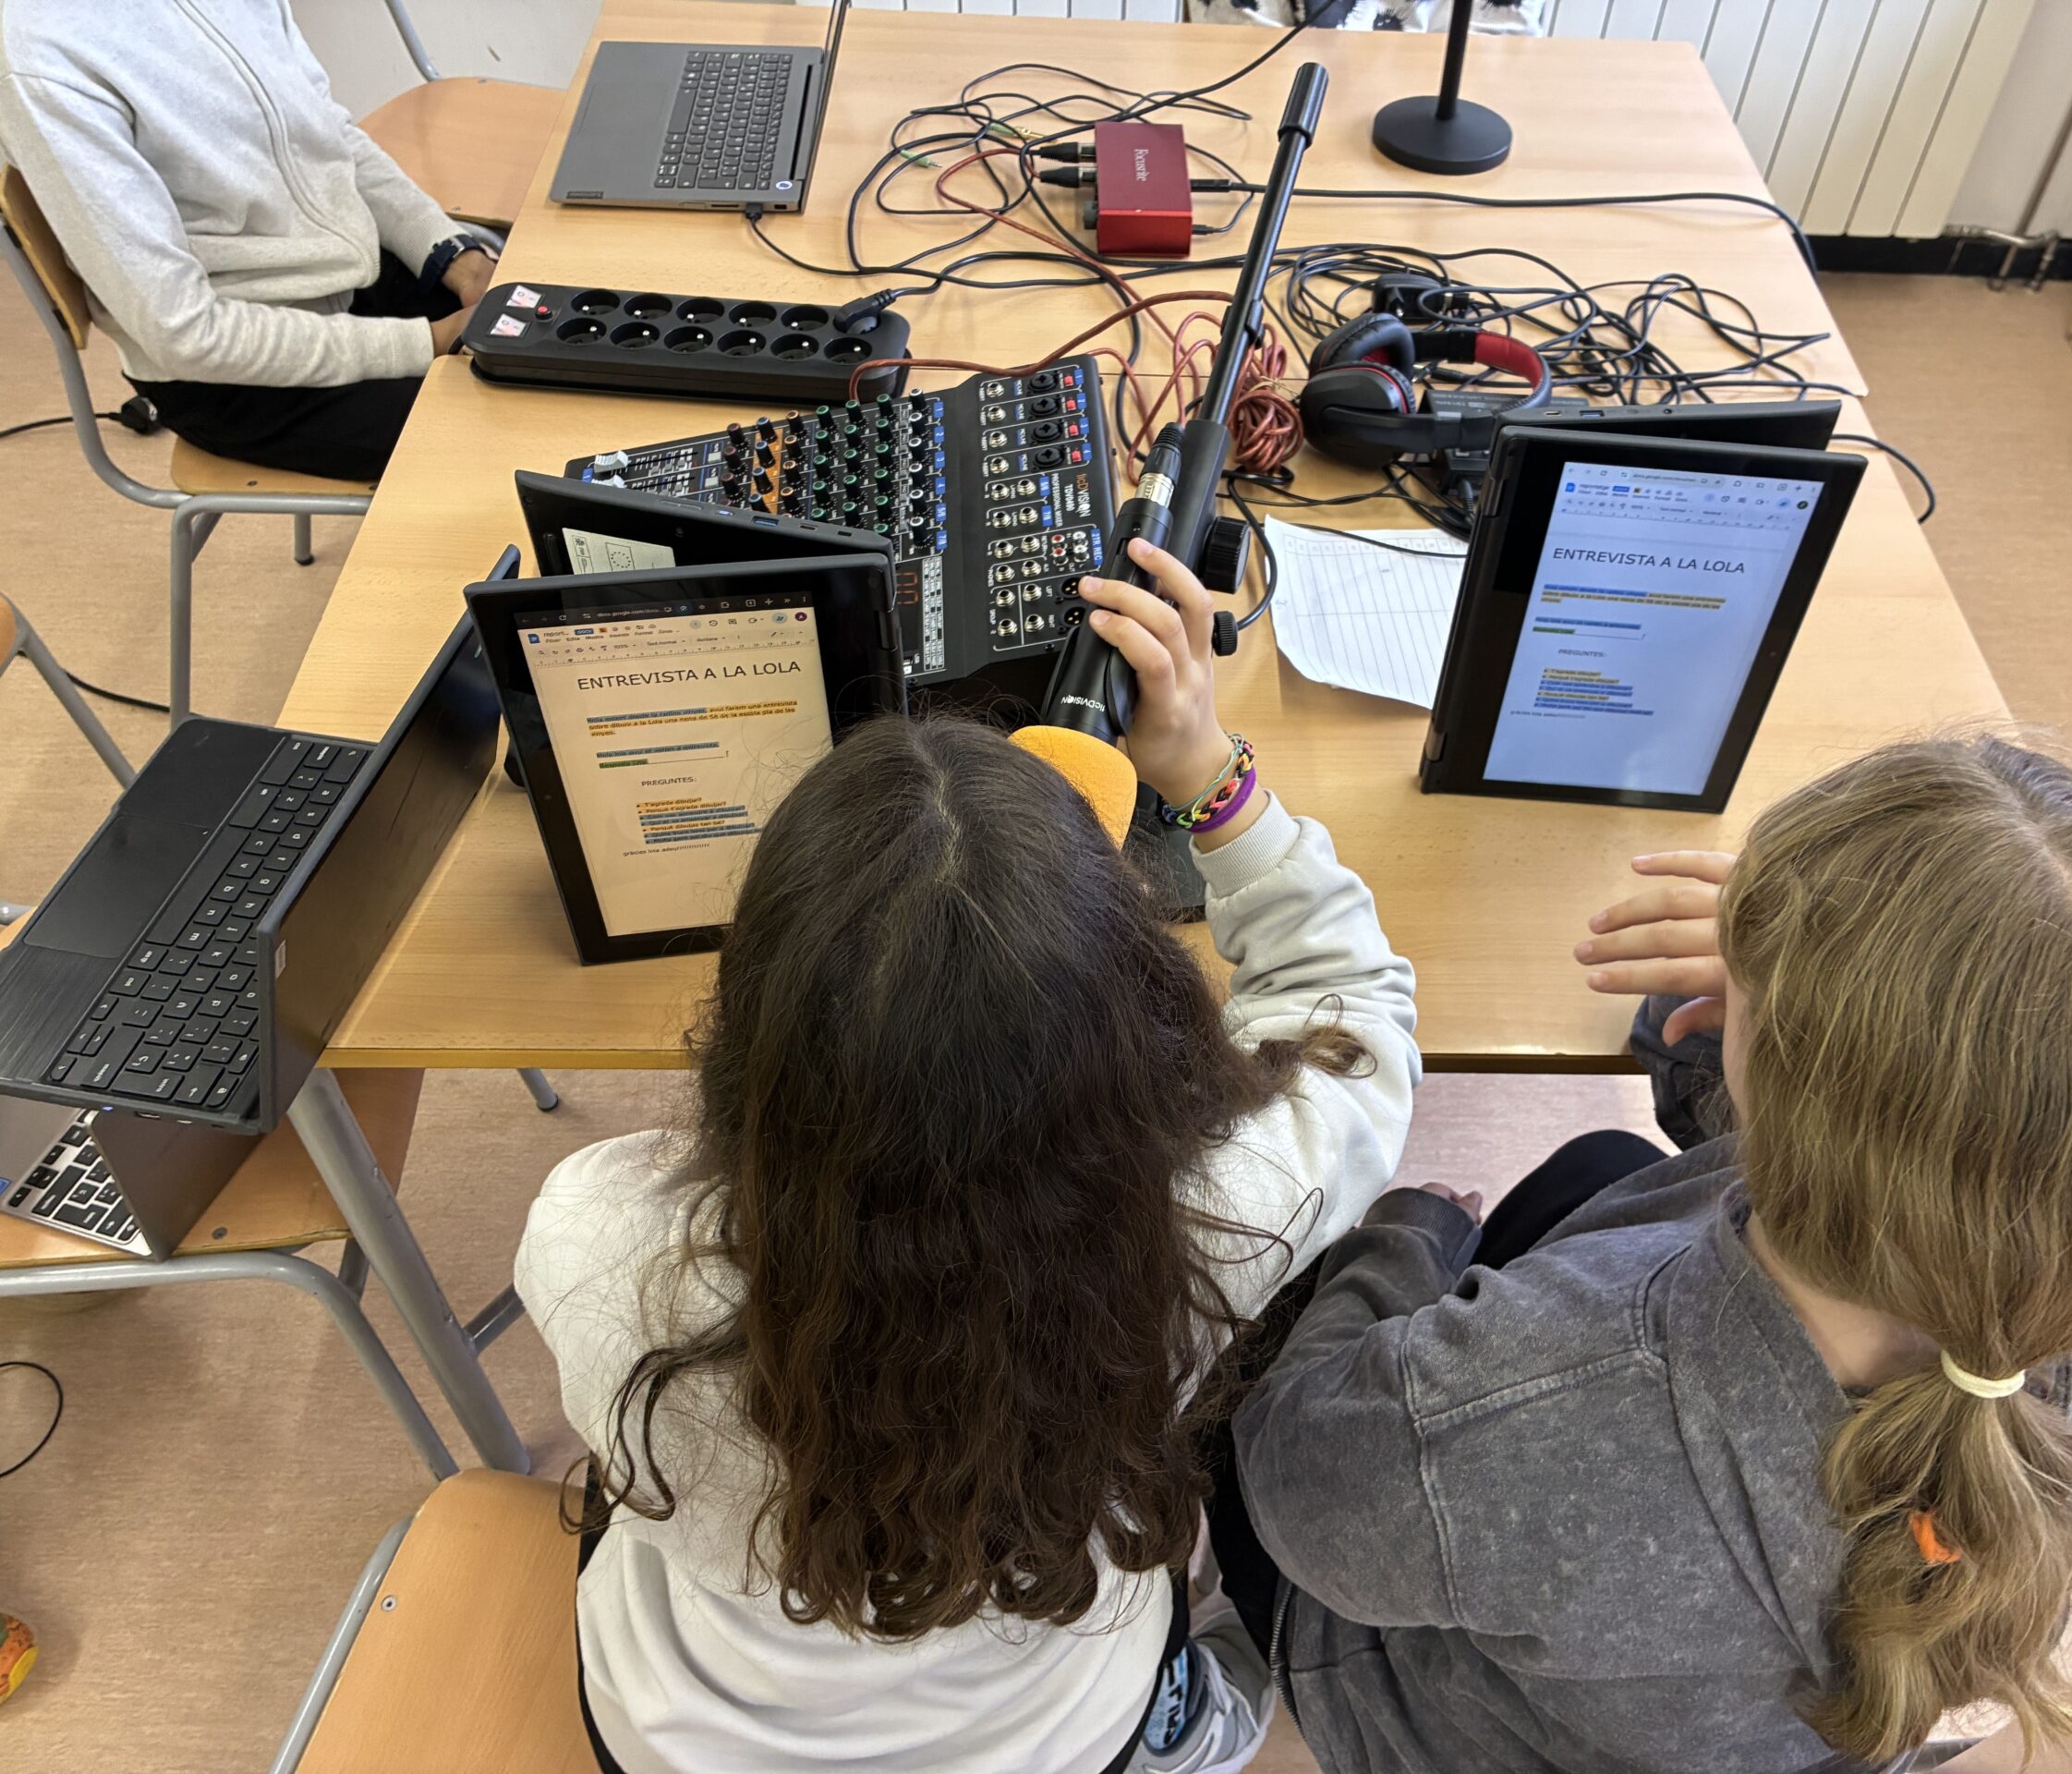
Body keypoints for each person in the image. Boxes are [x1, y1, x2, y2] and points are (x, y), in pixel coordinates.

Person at [515, 543, 1423, 1774]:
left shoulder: (593, 1239)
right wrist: (1211, 773)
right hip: (1047, 1741)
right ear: (1130, 1011)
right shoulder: (1218, 1224)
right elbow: (1355, 1012)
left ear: (755, 1016)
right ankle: (1177, 1722)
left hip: (679, 1736)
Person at [1225, 735, 2072, 1774]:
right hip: (1702, 1719)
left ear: (1785, 1071)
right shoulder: (2059, 1294)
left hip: (1407, 1698)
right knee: (1605, 1163)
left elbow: (1293, 1484)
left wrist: (1407, 1235)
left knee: (1239, 1346)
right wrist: (1758, 1021)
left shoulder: (1537, 1404)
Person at [0, 0, 498, 481]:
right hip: (234, 374)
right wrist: (427, 341)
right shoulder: (43, 55)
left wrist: (451, 254)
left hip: (344, 273)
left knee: (540, 336)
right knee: (507, 436)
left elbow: (330, 137)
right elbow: (183, 334)